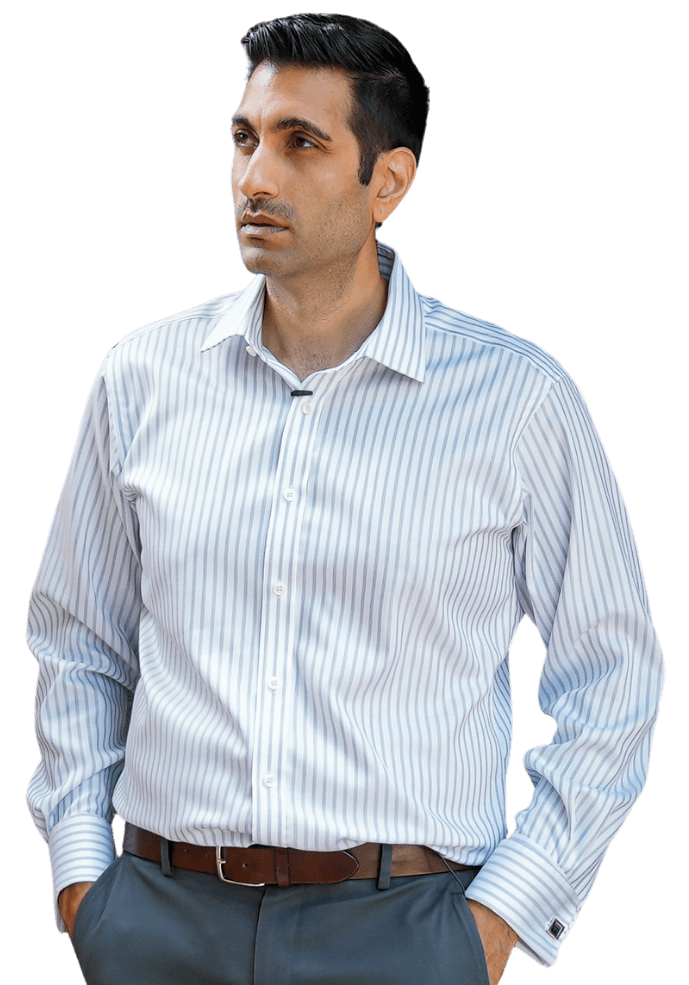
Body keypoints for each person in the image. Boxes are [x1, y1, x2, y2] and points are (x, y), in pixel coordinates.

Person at [26, 12, 664, 985]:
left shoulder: (516, 398)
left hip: (403, 927)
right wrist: (83, 879)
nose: (254, 178)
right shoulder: (140, 378)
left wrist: (497, 917)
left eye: (300, 143)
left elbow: (611, 675)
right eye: (243, 138)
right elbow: (80, 643)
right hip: (156, 920)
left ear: (388, 182)